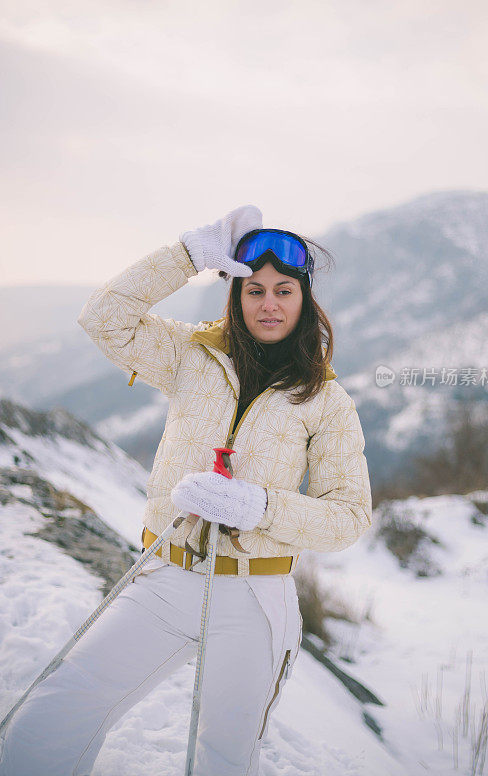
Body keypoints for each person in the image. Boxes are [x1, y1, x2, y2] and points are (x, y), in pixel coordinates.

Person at [0, 205, 372, 776]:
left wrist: (259, 507)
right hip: (167, 579)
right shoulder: (192, 357)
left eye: (283, 290)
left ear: (305, 300)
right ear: (235, 295)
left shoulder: (326, 401)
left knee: (223, 757)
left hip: (254, 599)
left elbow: (347, 516)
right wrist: (186, 256)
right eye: (253, 290)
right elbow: (104, 317)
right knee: (62, 705)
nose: (268, 304)